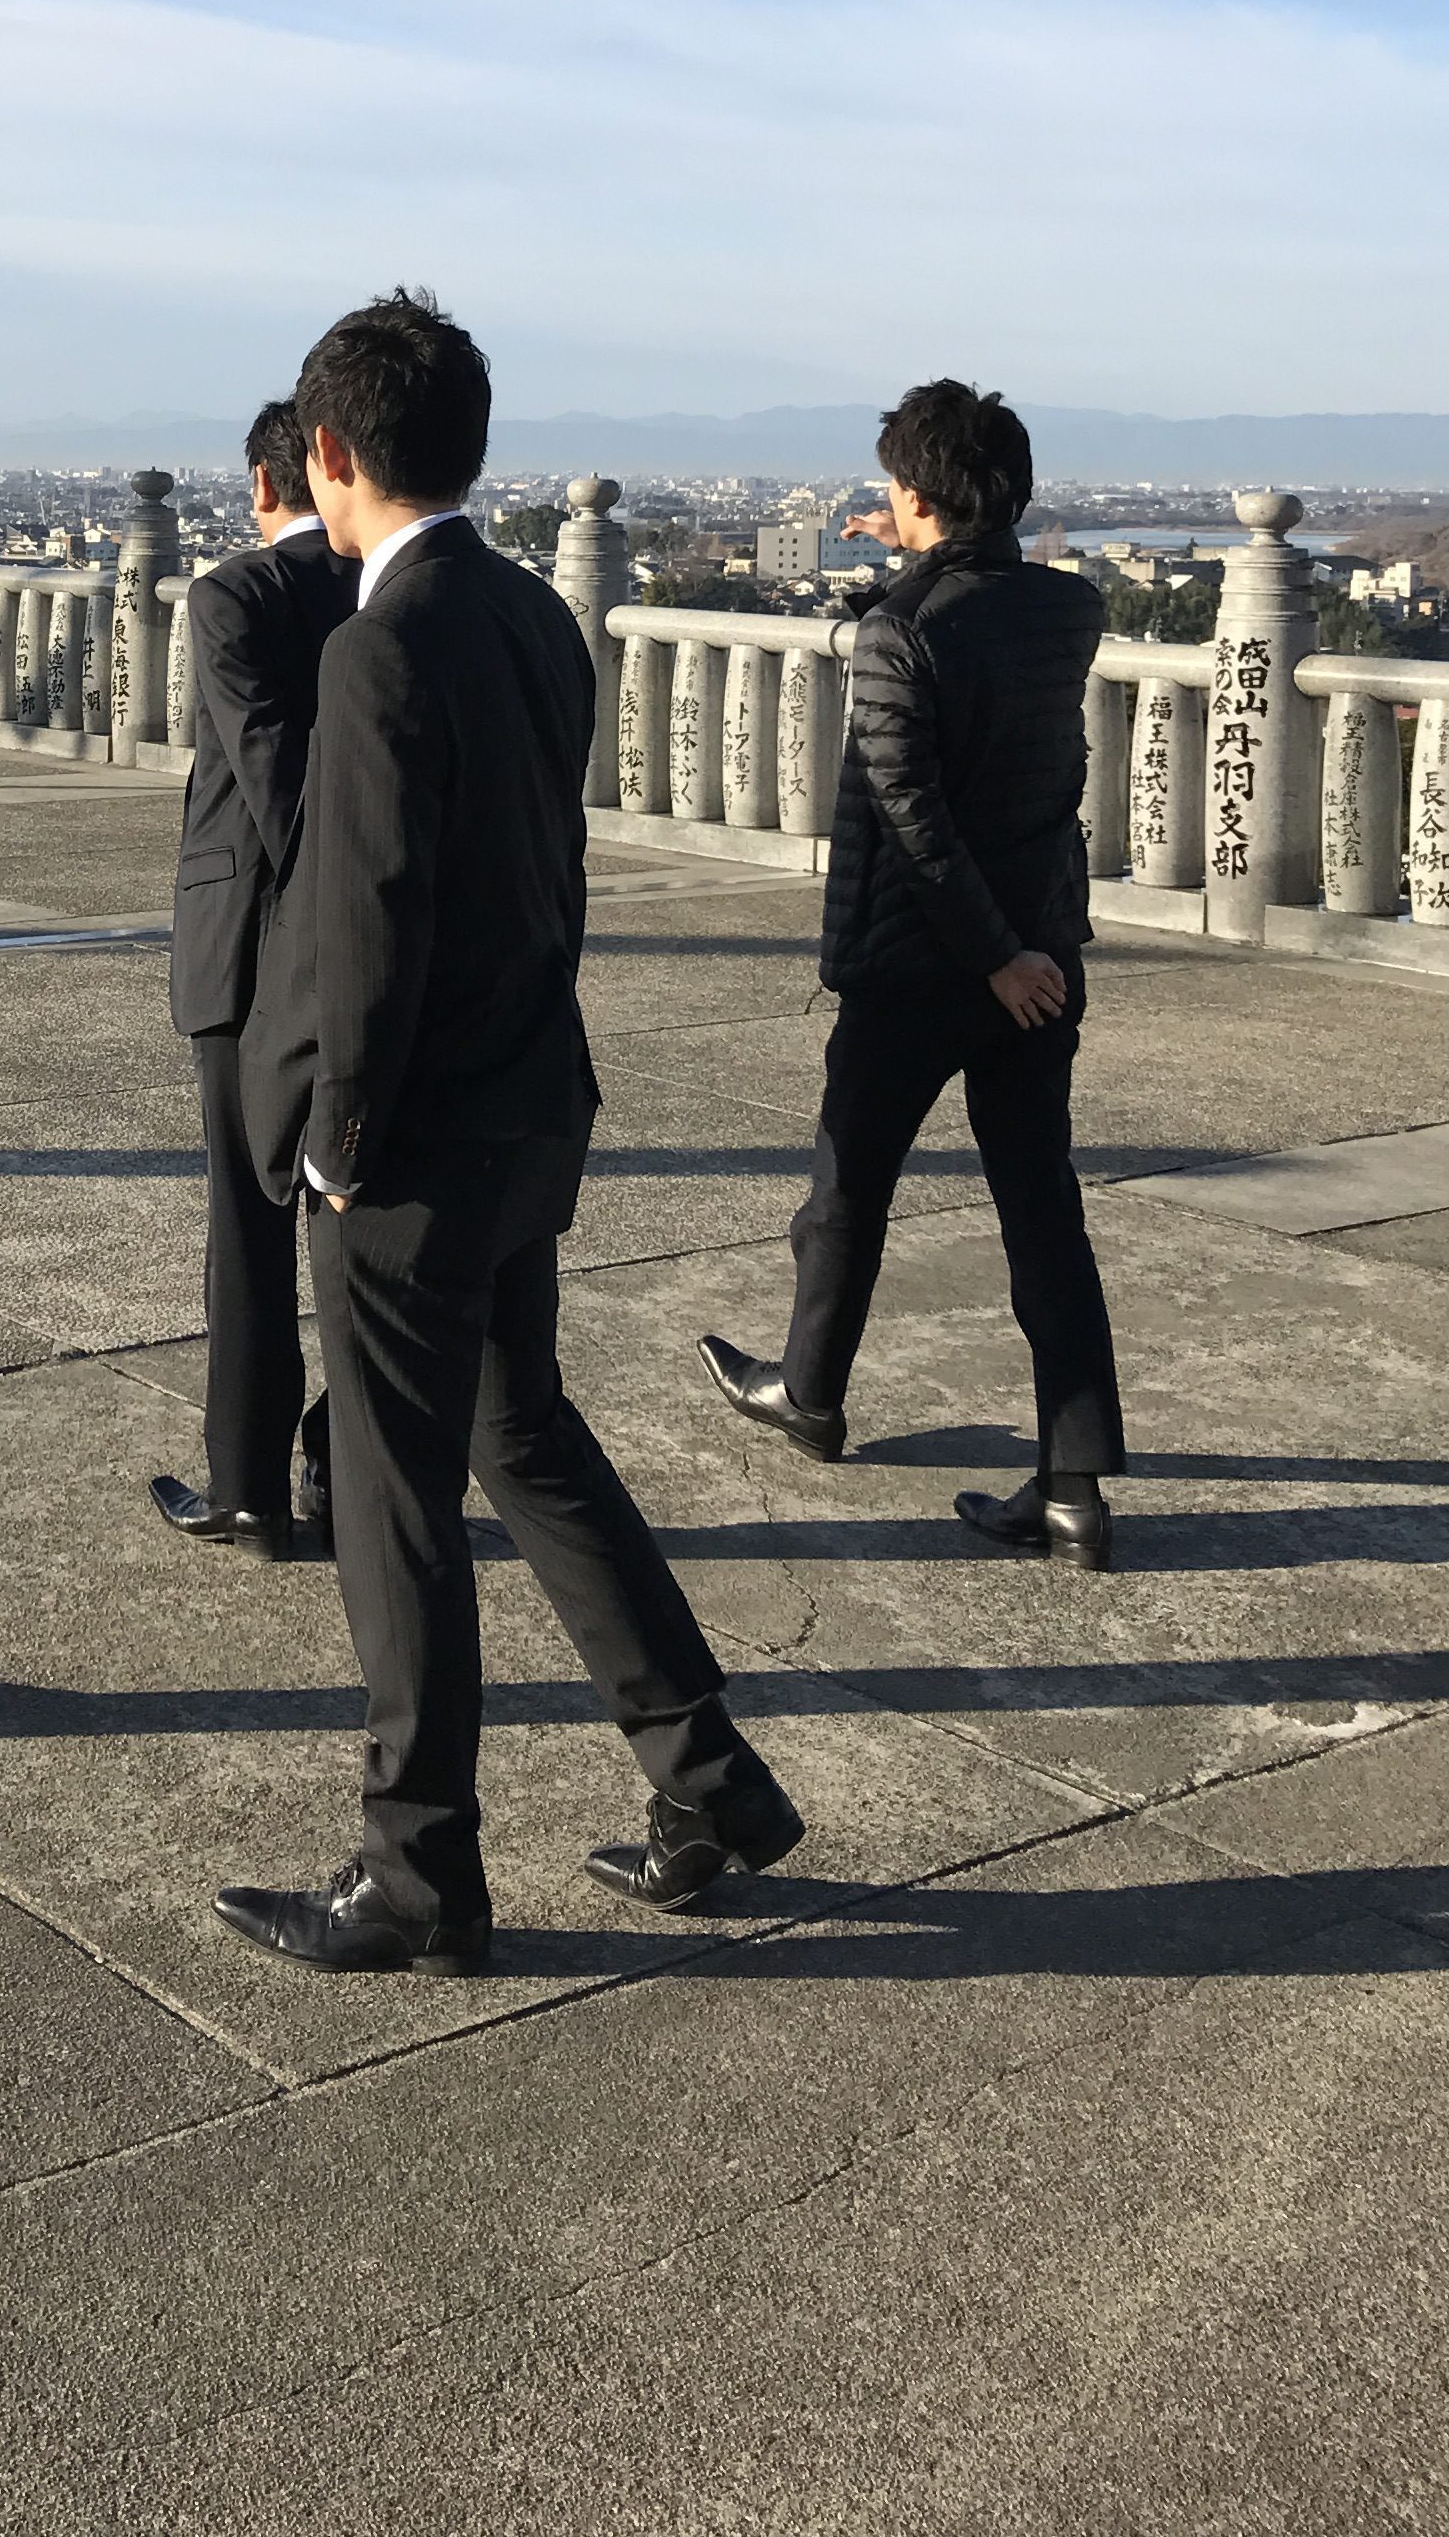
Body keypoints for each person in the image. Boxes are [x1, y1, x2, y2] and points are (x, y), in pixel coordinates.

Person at [217, 291, 802, 1974]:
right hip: (526, 1102)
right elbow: (533, 880)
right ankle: (709, 1777)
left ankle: (416, 1870)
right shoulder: (538, 615)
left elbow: (369, 918)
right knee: (524, 1441)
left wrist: (334, 1137)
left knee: (396, 1502)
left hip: (408, 1142)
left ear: (331, 451)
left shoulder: (375, 645)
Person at [696, 376, 1125, 1568]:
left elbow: (914, 815)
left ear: (920, 500)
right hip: (1043, 958)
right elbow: (987, 658)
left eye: (896, 492)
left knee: (848, 1186)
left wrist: (990, 959)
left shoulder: (902, 632)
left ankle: (811, 1391)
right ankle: (1075, 1488)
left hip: (924, 963)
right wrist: (1022, 955)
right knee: (1044, 1218)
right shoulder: (1069, 609)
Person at [148, 397, 351, 1558]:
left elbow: (271, 776)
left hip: (244, 951)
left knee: (248, 1224)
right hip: (372, 949)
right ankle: (338, 1453)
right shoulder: (384, 590)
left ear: (267, 483)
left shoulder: (236, 594)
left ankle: (248, 1487)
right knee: (352, 1227)